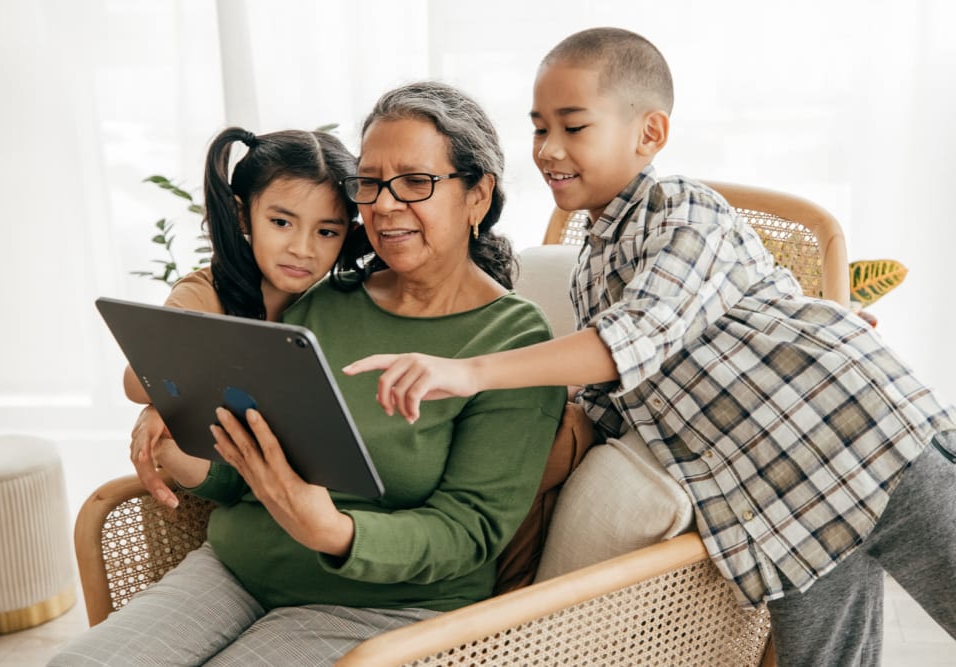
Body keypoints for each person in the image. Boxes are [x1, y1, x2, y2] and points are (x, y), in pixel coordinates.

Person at [343, 27, 956, 667]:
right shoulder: (591, 268)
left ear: (650, 134)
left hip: (873, 444)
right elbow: (623, 401)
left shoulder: (684, 210)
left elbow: (630, 340)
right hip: (789, 509)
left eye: (573, 127)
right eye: (537, 128)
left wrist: (469, 373)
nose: (548, 150)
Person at [50, 82, 565, 666]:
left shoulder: (513, 342)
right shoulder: (322, 301)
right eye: (370, 183)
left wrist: (334, 531)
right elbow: (247, 471)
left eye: (416, 182)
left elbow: (468, 530)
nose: (386, 205)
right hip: (237, 569)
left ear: (477, 196)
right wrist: (183, 448)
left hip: (386, 605)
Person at [122, 125, 361, 510]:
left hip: (325, 489)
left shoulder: (343, 299)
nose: (302, 249)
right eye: (281, 223)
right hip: (233, 477)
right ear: (242, 215)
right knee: (168, 444)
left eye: (327, 232)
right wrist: (160, 406)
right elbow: (135, 381)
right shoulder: (204, 292)